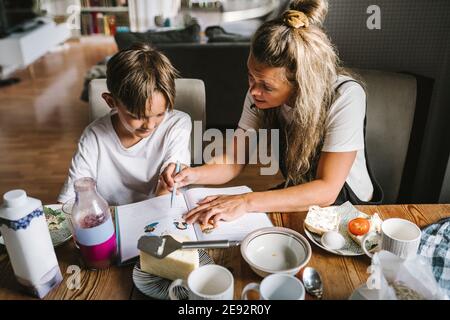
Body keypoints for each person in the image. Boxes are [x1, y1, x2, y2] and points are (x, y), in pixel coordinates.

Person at [160, 0, 383, 226]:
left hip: (349, 206)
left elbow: (327, 190)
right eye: (250, 77)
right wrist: (193, 174)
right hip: (300, 193)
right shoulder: (258, 95)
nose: (253, 91)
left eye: (267, 86)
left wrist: (246, 201)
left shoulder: (345, 97)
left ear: (301, 83)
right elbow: (233, 160)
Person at [58, 43, 191, 206]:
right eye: (137, 116)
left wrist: (167, 183)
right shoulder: (94, 136)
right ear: (110, 101)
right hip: (111, 218)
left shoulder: (178, 124)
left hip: (161, 210)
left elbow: (167, 188)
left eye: (160, 114)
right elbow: (70, 200)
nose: (149, 125)